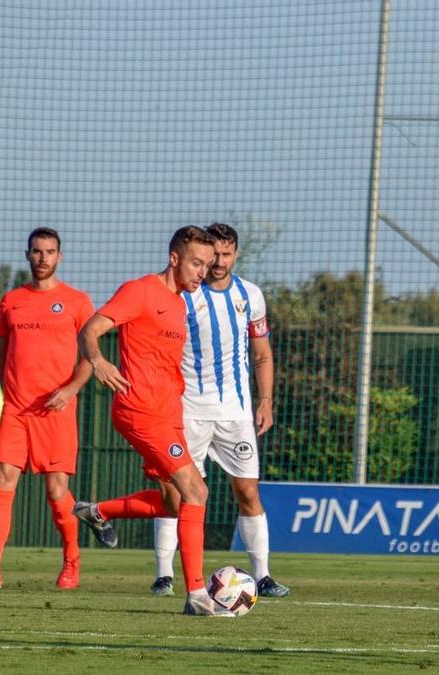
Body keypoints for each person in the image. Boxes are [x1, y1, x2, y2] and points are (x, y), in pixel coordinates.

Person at [72, 225, 222, 615]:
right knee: (197, 492)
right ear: (174, 258)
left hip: (169, 412)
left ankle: (97, 511)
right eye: (195, 263)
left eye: (207, 265)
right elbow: (91, 329)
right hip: (140, 410)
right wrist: (98, 360)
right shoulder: (139, 291)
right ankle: (197, 594)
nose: (202, 272)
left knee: (175, 504)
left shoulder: (180, 302)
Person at [148, 223, 289, 599]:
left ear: (235, 255)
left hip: (235, 414)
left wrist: (266, 401)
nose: (219, 263)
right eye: (214, 257)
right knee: (175, 493)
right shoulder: (185, 296)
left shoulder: (251, 296)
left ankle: (262, 575)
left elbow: (261, 353)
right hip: (188, 411)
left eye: (227, 255)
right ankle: (165, 574)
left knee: (247, 492)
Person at [0, 227, 94, 589]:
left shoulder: (78, 302)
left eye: (50, 252)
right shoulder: (11, 301)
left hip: (56, 412)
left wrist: (69, 390)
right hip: (16, 411)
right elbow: (1, 358)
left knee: (56, 491)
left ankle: (72, 560)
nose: (43, 258)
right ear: (27, 254)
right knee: (2, 481)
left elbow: (90, 360)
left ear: (59, 257)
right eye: (36, 251)